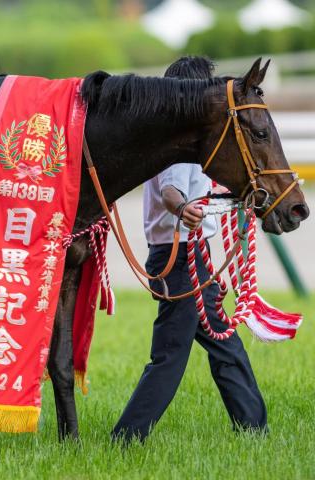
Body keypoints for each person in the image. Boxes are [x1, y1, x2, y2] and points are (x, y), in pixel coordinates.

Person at [111, 56, 267, 443]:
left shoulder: (169, 139)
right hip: (181, 257)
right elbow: (171, 190)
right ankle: (127, 437)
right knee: (170, 355)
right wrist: (183, 208)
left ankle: (253, 426)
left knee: (222, 341)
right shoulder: (183, 146)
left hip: (184, 255)